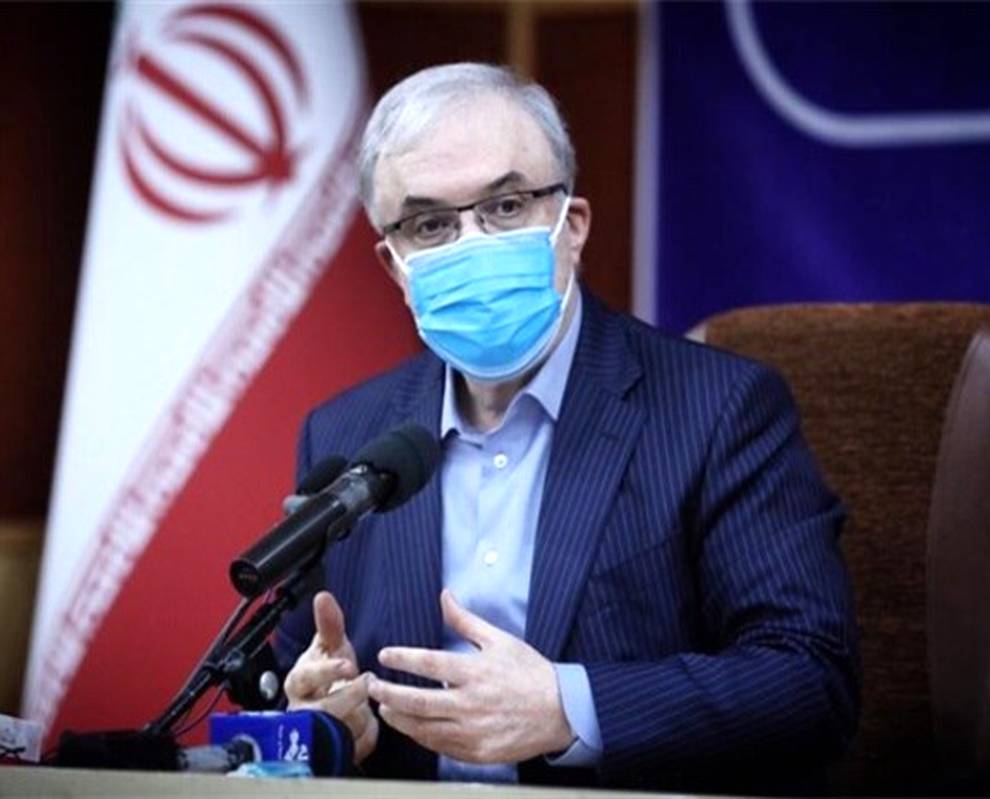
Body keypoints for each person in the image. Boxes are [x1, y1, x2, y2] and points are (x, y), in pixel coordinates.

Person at [273, 62, 859, 793]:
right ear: (396, 266)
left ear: (571, 227)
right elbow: (298, 676)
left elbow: (810, 679)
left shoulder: (720, 410)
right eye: (431, 224)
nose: (473, 243)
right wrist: (325, 725)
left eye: (506, 206)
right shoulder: (344, 435)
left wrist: (570, 708)